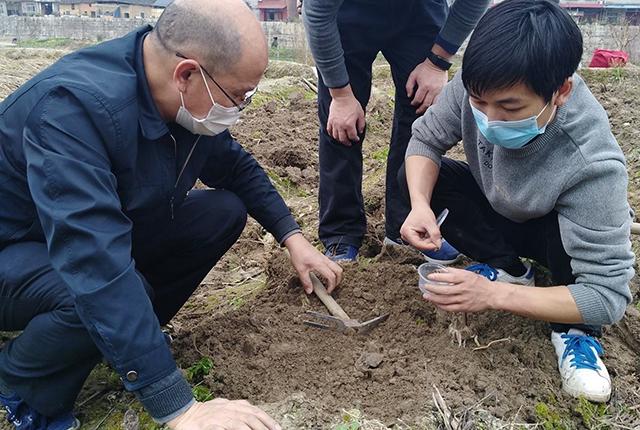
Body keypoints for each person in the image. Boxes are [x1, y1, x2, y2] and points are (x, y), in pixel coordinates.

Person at [0, 0, 343, 428]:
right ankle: (20, 380)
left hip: (76, 240)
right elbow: (92, 261)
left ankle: (125, 341)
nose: (241, 107)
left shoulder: (174, 95)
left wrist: (294, 239)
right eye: (238, 95)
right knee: (94, 292)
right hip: (16, 248)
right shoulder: (72, 110)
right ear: (187, 74)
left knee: (221, 211)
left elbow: (235, 167)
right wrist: (179, 407)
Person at [399, 0, 634, 403]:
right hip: (502, 203)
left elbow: (608, 296)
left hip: (556, 230)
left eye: (510, 108)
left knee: (580, 279)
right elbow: (425, 139)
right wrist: (419, 204)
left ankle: (575, 332)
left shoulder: (591, 161)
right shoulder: (478, 86)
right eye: (479, 104)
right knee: (425, 179)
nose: (490, 120)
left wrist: (493, 298)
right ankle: (509, 269)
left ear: (560, 91)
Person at [301, 0, 490, 263]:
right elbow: (318, 12)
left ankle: (407, 228)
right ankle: (341, 234)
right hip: (348, 13)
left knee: (419, 113)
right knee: (341, 125)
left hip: (420, 12)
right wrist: (341, 94)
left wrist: (437, 61)